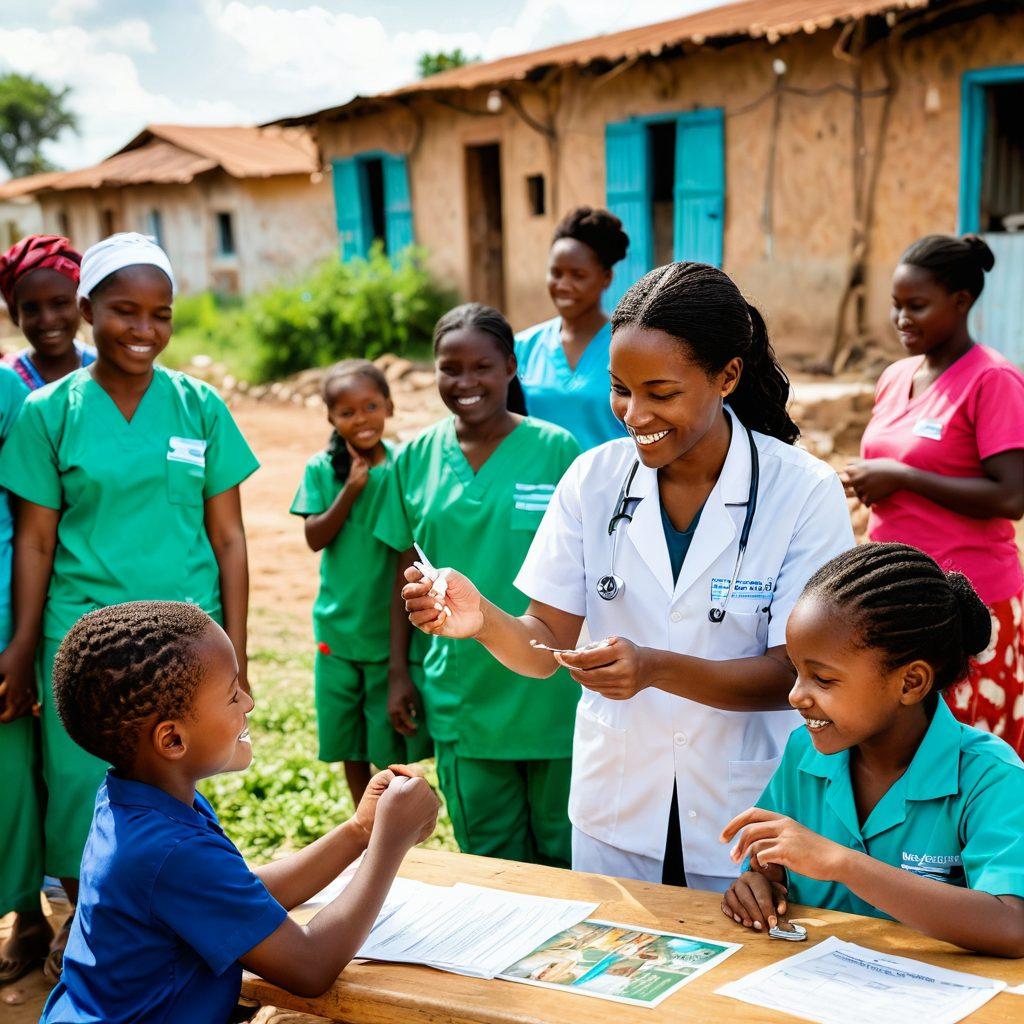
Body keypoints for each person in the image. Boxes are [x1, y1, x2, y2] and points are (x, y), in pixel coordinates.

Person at [403, 263, 854, 892]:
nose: (633, 414)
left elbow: (797, 674)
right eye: (619, 389)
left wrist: (653, 668)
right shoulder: (593, 480)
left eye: (660, 393)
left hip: (749, 805)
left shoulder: (802, 491)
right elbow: (544, 646)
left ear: (728, 376)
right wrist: (484, 621)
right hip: (617, 806)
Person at [0, 231, 259, 979]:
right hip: (81, 638)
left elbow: (232, 540)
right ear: (87, 310)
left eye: (160, 314)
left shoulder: (199, 406)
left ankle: (178, 919)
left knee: (182, 779)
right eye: (123, 310)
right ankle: (85, 920)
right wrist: (22, 646)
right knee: (84, 785)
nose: (142, 329)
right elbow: (36, 544)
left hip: (187, 642)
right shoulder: (50, 412)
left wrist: (233, 655)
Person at [41, 601, 440, 1022]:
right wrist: (389, 844)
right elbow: (311, 967)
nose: (248, 702)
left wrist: (360, 830)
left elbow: (240, 895)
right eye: (233, 694)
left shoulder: (136, 801)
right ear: (173, 741)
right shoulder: (170, 849)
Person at [721, 543, 1024, 957]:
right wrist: (759, 885)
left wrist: (842, 863)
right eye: (796, 672)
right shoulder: (804, 754)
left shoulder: (990, 776)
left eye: (823, 680)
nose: (796, 695)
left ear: (910, 682)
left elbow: (1012, 925)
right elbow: (772, 868)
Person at [375, 302, 582, 867]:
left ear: (511, 368)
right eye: (450, 368)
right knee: (492, 860)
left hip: (553, 690)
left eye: (481, 367)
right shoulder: (414, 457)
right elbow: (400, 569)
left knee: (569, 856)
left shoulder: (559, 451)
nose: (465, 382)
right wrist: (399, 673)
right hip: (462, 691)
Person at [844, 235, 1024, 754]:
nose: (902, 319)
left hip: (973, 603)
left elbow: (1011, 495)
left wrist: (902, 477)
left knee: (969, 755)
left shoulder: (992, 380)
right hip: (898, 599)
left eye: (916, 306)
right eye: (896, 306)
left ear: (962, 300)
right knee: (904, 748)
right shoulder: (896, 376)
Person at [291, 360, 431, 805]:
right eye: (347, 412)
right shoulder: (322, 469)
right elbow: (314, 538)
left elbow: (404, 556)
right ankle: (363, 821)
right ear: (331, 418)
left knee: (387, 742)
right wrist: (350, 489)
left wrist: (397, 665)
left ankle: (393, 823)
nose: (361, 419)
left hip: (385, 633)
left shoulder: (400, 469)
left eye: (371, 406)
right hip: (337, 630)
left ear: (389, 406)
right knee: (347, 741)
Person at [515, 207, 629, 450]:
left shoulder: (628, 347)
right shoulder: (522, 347)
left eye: (578, 275)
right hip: (540, 485)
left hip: (612, 484)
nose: (563, 285)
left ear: (606, 277)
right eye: (556, 273)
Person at [0, 364, 39, 983]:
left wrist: (20, 643)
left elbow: (30, 519)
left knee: (11, 775)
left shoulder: (9, 394)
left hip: (2, 602)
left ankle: (27, 915)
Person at [0, 234, 96, 390]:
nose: (47, 319)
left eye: (60, 303)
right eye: (31, 308)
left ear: (82, 306)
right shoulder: (5, 382)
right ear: (15, 314)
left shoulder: (108, 370)